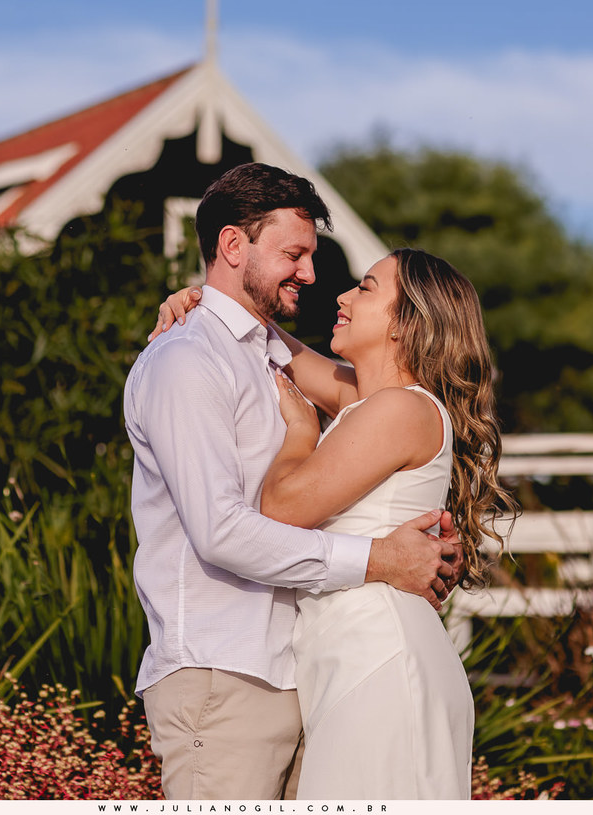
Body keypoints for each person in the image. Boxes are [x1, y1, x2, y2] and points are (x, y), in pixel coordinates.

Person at [123, 163, 464, 801]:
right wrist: (382, 558)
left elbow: (347, 406)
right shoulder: (187, 359)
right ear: (233, 245)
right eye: (293, 254)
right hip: (225, 671)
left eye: (312, 257)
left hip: (307, 670)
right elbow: (223, 531)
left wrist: (221, 304)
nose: (313, 275)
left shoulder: (308, 374)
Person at [152, 247, 517, 798]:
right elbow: (276, 344)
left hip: (377, 657)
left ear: (405, 323)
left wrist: (301, 433)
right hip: (347, 655)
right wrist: (207, 303)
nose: (343, 295)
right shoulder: (369, 400)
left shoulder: (400, 410)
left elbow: (281, 508)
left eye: (366, 288)